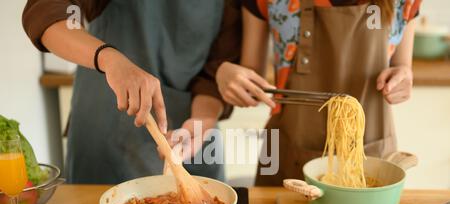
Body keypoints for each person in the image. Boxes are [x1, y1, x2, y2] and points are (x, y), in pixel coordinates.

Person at [23, 0, 241, 184]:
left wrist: (203, 118)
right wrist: (109, 59)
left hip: (195, 138)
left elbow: (216, 70)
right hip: (108, 134)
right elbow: (48, 10)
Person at [216, 0, 420, 185]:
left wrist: (403, 78)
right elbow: (252, 80)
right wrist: (227, 75)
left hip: (372, 155)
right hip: (287, 154)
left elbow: (403, 67)